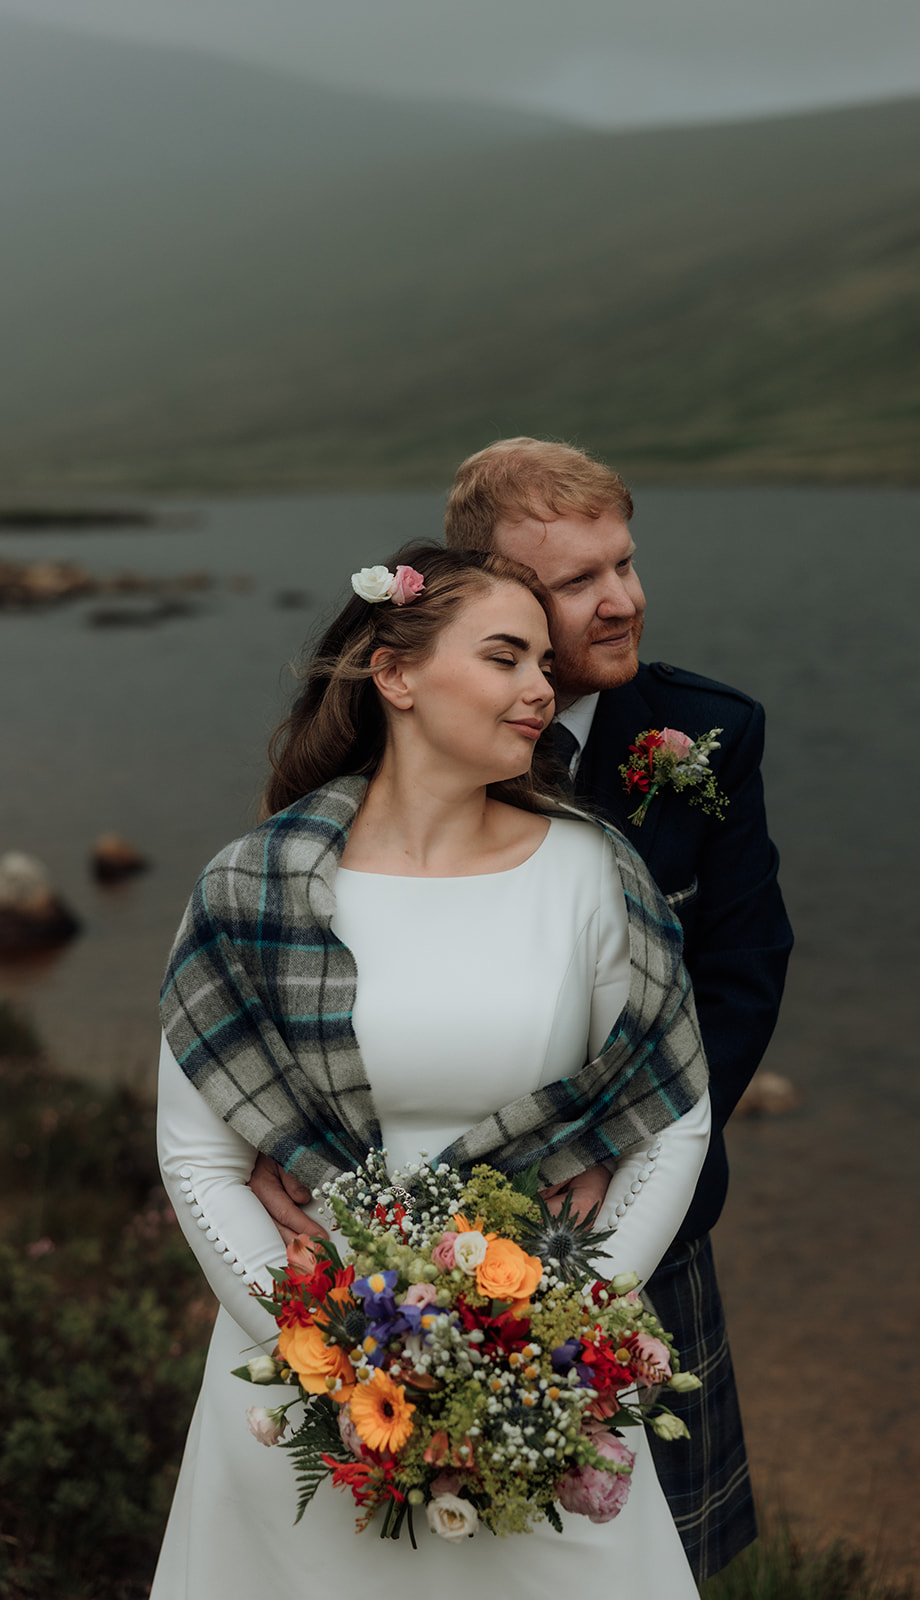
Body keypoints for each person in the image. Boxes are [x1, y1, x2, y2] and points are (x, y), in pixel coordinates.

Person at [253, 441, 793, 1579]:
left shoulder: (703, 735)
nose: (621, 601)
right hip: (405, 1240)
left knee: (647, 1552)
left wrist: (627, 1149)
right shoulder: (400, 744)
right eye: (576, 582)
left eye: (625, 564)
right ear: (490, 587)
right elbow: (304, 959)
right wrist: (274, 1135)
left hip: (644, 1214)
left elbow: (742, 971)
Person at [152, 544, 712, 1599]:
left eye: (544, 663)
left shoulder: (594, 874)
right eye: (504, 657)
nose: (541, 687)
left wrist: (558, 1336)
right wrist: (328, 1355)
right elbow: (197, 1156)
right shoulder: (250, 885)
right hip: (300, 1405)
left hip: (545, 1390)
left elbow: (668, 1117)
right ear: (395, 675)